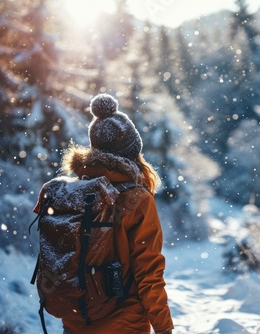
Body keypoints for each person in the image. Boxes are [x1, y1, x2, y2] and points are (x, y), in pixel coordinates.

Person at [57, 93, 174, 334]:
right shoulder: (137, 199)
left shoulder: (74, 192)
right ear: (132, 152)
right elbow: (148, 273)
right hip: (124, 322)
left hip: (77, 320)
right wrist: (164, 327)